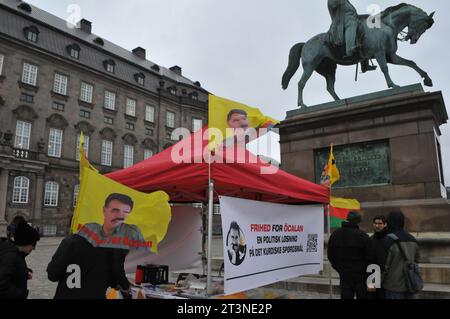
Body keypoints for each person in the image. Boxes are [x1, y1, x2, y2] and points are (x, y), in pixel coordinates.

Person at [327, 211, 374, 299]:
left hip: (345, 275)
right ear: (358, 221)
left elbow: (331, 256)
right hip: (361, 277)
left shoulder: (335, 235)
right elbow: (370, 258)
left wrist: (340, 269)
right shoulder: (363, 236)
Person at [77, 193, 146, 250]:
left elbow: (144, 260)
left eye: (125, 212)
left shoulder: (132, 233)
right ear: (104, 210)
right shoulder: (88, 229)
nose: (120, 216)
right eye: (115, 210)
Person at [327, 0, 377, 72]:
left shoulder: (347, 1)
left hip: (354, 18)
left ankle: (365, 64)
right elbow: (332, 5)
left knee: (366, 26)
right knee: (352, 24)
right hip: (343, 22)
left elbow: (354, 13)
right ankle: (349, 49)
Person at [382, 211, 420, 299]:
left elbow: (384, 266)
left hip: (393, 286)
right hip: (410, 283)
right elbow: (417, 260)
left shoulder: (387, 240)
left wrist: (377, 283)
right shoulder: (413, 239)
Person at [0, 220, 40, 299]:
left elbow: (12, 270)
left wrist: (25, 272)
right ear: (26, 242)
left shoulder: (16, 252)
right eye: (33, 244)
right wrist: (21, 294)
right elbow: (2, 285)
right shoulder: (10, 257)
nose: (34, 248)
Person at [369, 215, 388, 299]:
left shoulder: (389, 239)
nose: (377, 226)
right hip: (374, 275)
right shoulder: (370, 239)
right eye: (375, 223)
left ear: (385, 224)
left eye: (380, 223)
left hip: (387, 277)